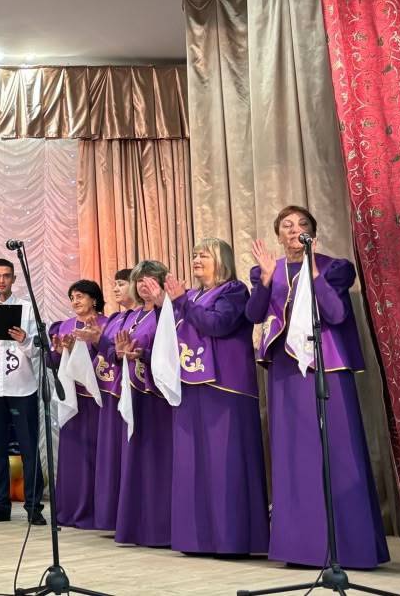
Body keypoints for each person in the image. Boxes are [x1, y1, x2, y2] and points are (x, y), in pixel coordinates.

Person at [246, 206, 388, 568]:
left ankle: (350, 548)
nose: (294, 230)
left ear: (313, 232)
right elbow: (253, 315)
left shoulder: (335, 267)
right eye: (287, 225)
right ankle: (301, 548)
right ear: (278, 234)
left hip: (328, 368)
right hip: (286, 372)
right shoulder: (268, 270)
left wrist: (312, 271)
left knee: (336, 451)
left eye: (302, 224)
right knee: (294, 456)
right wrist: (265, 281)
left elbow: (336, 314)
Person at [156, 238, 269, 556]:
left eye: (203, 255)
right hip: (191, 385)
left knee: (225, 463)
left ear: (222, 261)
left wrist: (181, 302)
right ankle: (197, 539)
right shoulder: (190, 295)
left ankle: (232, 539)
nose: (196, 259)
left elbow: (217, 325)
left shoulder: (234, 291)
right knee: (193, 464)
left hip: (226, 387)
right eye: (194, 255)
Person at [0, 258, 45, 524]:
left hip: (21, 384)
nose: (1, 280)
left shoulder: (27, 308)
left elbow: (37, 348)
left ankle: (34, 506)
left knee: (28, 447)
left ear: (13, 279)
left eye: (6, 276)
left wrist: (24, 339)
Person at [112, 261, 174, 547]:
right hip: (135, 391)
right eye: (139, 280)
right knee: (137, 459)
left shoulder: (168, 312)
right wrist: (119, 352)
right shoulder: (134, 315)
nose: (143, 285)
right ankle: (138, 525)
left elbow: (172, 349)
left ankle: (162, 527)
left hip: (158, 395)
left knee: (158, 459)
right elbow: (116, 351)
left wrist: (143, 355)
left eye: (150, 280)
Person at [47, 280, 108, 530]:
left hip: (96, 398)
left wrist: (90, 345)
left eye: (80, 296)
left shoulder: (106, 324)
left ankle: (95, 511)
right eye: (72, 297)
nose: (75, 301)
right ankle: (69, 510)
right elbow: (53, 362)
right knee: (72, 456)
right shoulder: (65, 326)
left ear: (94, 299)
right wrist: (58, 351)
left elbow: (108, 357)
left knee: (93, 454)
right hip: (72, 400)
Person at [91, 269, 135, 531]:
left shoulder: (144, 316)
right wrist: (99, 341)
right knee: (112, 455)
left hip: (133, 389)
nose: (116, 289)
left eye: (121, 284)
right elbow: (109, 353)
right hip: (111, 390)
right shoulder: (117, 318)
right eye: (114, 284)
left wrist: (106, 344)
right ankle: (112, 516)